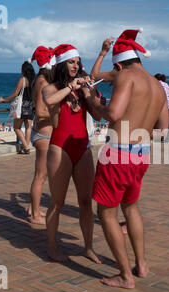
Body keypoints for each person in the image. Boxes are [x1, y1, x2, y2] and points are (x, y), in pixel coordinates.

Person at [85, 29, 169, 289]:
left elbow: (113, 113)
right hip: (142, 154)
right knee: (131, 207)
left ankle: (125, 276)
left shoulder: (125, 77)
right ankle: (141, 265)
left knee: (107, 213)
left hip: (118, 154)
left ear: (119, 64)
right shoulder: (158, 85)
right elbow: (162, 130)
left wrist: (91, 100)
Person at [42, 44, 102, 264]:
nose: (76, 65)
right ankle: (51, 248)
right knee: (56, 202)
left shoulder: (83, 87)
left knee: (86, 201)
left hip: (82, 147)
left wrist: (90, 95)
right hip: (60, 148)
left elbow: (97, 117)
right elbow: (49, 101)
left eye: (78, 62)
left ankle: (88, 247)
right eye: (71, 61)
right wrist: (70, 87)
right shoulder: (51, 87)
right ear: (61, 64)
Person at [27, 46, 56, 225]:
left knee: (41, 176)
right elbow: (40, 111)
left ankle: (33, 208)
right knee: (40, 176)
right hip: (44, 135)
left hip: (42, 133)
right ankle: (35, 215)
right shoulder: (43, 83)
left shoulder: (39, 79)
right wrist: (59, 113)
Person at [0, 61, 36, 154]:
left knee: (17, 128)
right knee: (28, 128)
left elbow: (16, 94)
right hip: (31, 106)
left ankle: (26, 147)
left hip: (21, 107)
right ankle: (26, 147)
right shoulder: (34, 80)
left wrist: (4, 99)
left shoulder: (22, 80)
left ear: (24, 70)